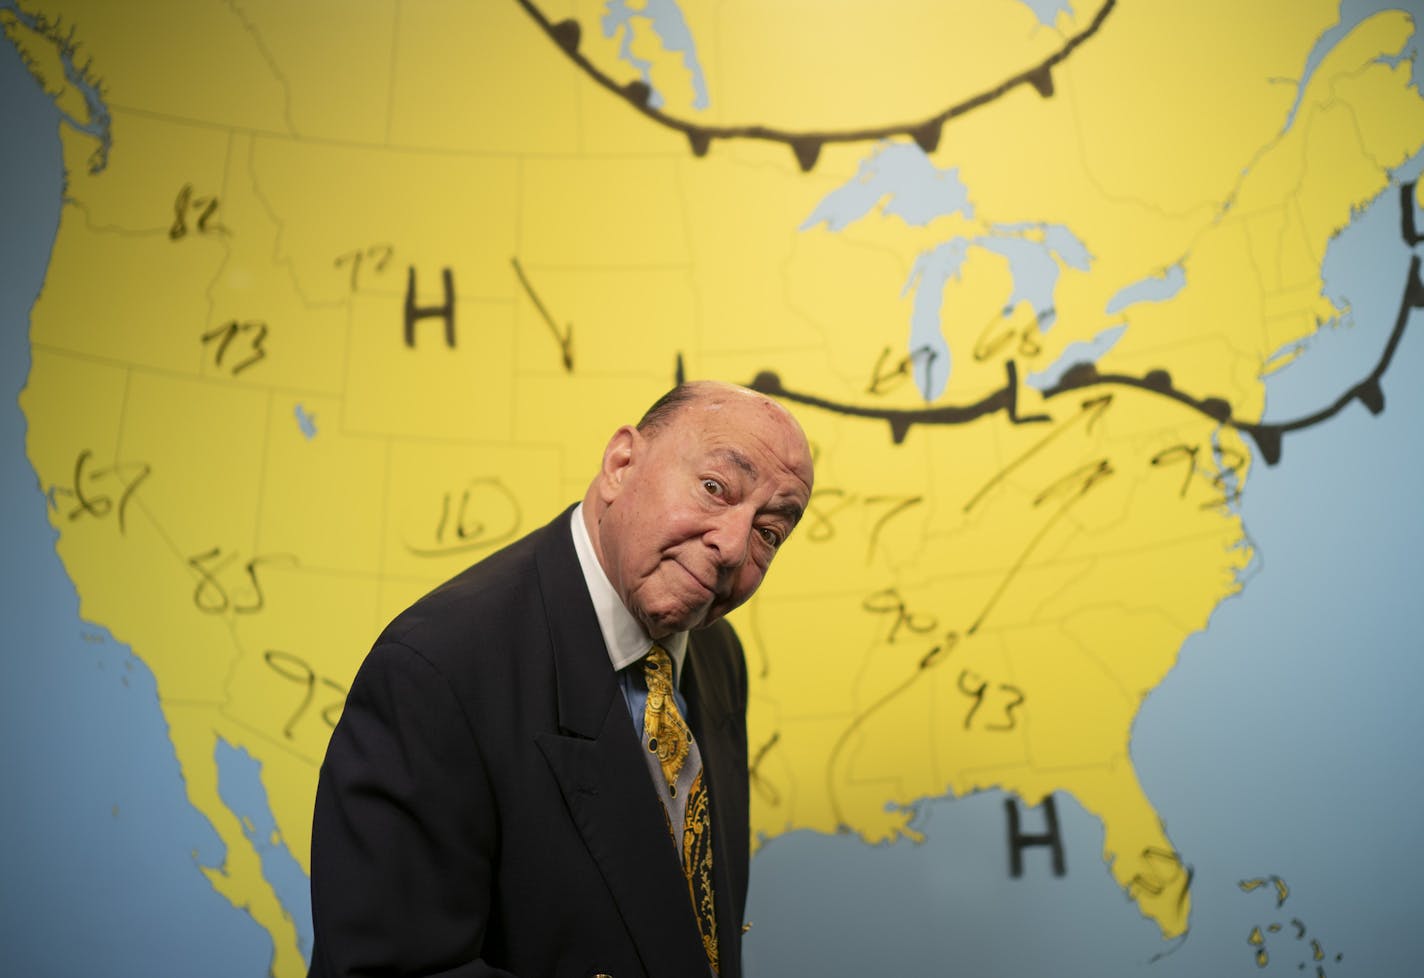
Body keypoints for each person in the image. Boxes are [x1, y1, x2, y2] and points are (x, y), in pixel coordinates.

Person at [307, 380, 815, 978]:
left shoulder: (717, 654)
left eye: (768, 533)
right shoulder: (434, 672)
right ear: (621, 463)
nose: (732, 546)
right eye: (713, 489)